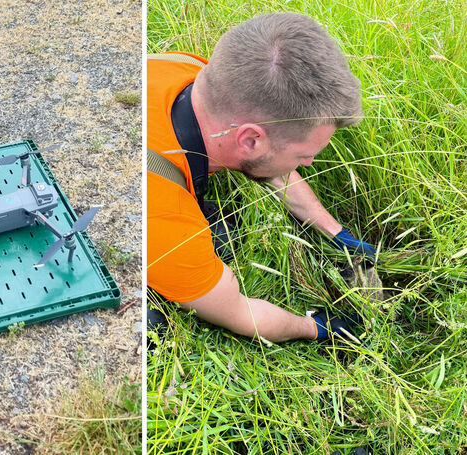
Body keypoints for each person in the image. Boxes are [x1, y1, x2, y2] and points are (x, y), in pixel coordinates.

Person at [147, 13, 377, 343]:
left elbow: (273, 165)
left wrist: (336, 234)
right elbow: (240, 312)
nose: (309, 164)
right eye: (303, 155)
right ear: (251, 140)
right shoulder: (165, 215)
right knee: (154, 325)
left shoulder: (188, 72)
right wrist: (316, 327)